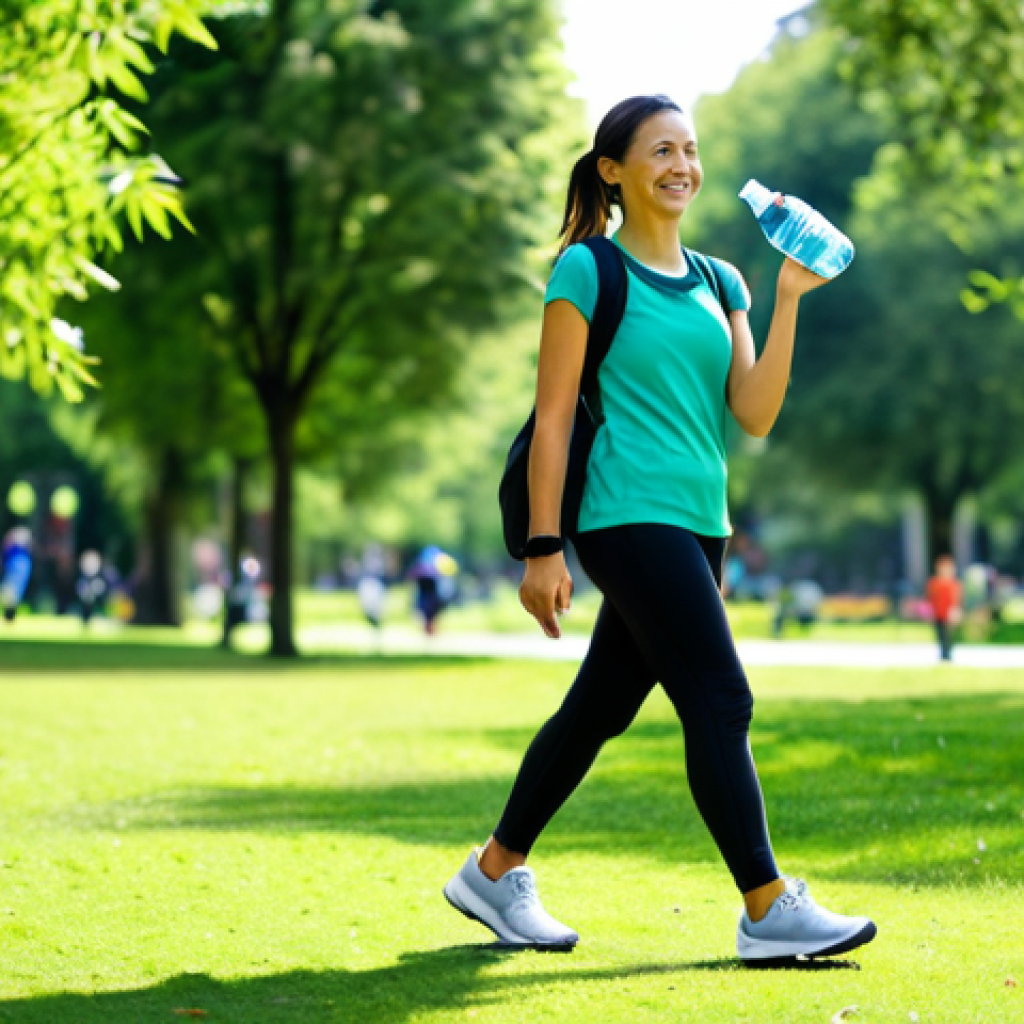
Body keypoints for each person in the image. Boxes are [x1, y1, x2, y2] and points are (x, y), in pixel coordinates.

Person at [443, 96, 876, 963]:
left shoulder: (723, 281)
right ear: (613, 170)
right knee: (721, 697)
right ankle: (766, 906)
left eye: (691, 149)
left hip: (699, 520)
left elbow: (752, 414)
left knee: (600, 707)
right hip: (623, 513)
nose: (681, 165)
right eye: (659, 150)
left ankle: (493, 873)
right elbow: (556, 419)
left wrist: (791, 294)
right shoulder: (588, 272)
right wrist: (541, 546)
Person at [926, 554, 962, 662]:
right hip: (938, 613)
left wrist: (955, 611)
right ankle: (943, 654)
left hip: (948, 614)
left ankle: (948, 655)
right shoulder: (934, 583)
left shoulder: (954, 584)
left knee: (949, 636)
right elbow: (931, 598)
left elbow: (956, 600)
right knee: (940, 635)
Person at [1, 527, 34, 623]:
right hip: (18, 564)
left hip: (17, 565)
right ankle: (9, 615)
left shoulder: (16, 535)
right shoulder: (22, 534)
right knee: (12, 591)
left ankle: (10, 615)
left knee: (12, 591)